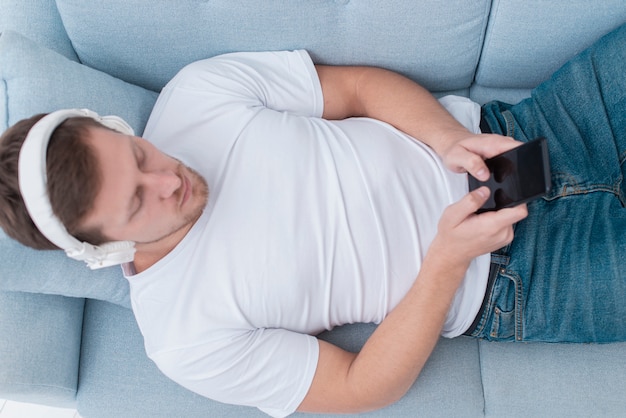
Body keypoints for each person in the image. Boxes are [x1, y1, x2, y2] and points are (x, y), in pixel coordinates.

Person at [1, 22, 625, 417]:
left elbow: (353, 89)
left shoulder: (196, 94)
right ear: (104, 250)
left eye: (139, 156)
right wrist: (444, 263)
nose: (170, 178)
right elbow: (359, 388)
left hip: (522, 134)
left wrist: (443, 137)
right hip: (522, 285)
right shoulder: (183, 340)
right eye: (139, 202)